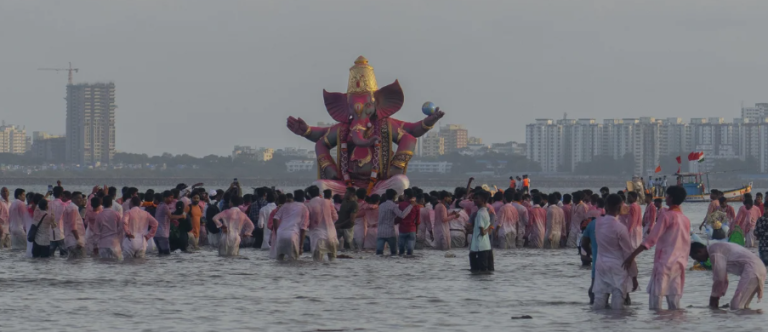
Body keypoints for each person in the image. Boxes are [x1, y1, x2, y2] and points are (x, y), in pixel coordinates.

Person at [623, 186, 690, 310]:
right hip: (679, 264)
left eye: (667, 196)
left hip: (663, 263)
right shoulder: (685, 219)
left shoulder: (667, 216)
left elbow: (651, 240)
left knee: (655, 302)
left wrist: (632, 256)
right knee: (674, 305)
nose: (666, 198)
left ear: (671, 198)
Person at [592, 194, 639, 310]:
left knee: (599, 300)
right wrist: (634, 276)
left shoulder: (598, 223)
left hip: (601, 265)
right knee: (618, 301)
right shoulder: (620, 228)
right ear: (619, 207)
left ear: (606, 206)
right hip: (618, 267)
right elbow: (628, 253)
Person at [690, 242, 766, 309]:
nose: (698, 260)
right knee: (743, 306)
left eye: (696, 258)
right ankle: (752, 320)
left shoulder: (714, 252)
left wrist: (714, 297)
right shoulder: (716, 247)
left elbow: (720, 278)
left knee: (736, 306)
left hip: (752, 269)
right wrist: (718, 295)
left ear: (699, 251)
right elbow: (722, 276)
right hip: (759, 267)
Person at [273, 191, 309, 261]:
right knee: (293, 261)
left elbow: (275, 219)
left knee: (279, 260)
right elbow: (303, 228)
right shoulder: (305, 209)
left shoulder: (285, 205)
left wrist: (277, 232)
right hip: (292, 235)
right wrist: (301, 246)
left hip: (280, 234)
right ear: (303, 199)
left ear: (294, 197)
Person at [306, 187, 340, 261]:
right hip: (332, 235)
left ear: (309, 194)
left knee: (317, 262)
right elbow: (335, 217)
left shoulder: (309, 205)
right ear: (319, 193)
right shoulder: (328, 202)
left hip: (318, 236)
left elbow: (306, 222)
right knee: (333, 261)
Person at [376, 189, 414, 256]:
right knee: (394, 253)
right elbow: (402, 215)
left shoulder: (381, 205)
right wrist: (410, 206)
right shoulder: (393, 206)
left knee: (379, 253)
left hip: (380, 232)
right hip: (390, 232)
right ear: (394, 197)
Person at [93, 196, 125, 260]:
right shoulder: (117, 214)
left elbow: (96, 233)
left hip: (103, 244)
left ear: (102, 203)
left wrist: (95, 245)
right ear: (111, 204)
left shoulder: (99, 216)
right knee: (116, 263)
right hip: (115, 244)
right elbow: (121, 228)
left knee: (104, 263)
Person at [469, 191, 493, 272]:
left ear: (483, 200)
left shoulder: (480, 213)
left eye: (476, 198)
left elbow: (482, 232)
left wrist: (488, 228)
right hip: (486, 247)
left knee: (477, 272)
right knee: (487, 271)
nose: (474, 200)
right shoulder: (486, 212)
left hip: (478, 248)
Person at [154, 191, 183, 255]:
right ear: (165, 198)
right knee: (167, 254)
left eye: (172, 198)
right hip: (162, 234)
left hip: (156, 234)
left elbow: (163, 217)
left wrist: (172, 221)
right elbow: (171, 216)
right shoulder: (165, 206)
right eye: (170, 197)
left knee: (161, 254)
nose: (172, 199)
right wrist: (182, 216)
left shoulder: (159, 205)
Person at [395, 189, 421, 256]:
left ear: (406, 195)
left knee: (401, 251)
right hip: (412, 229)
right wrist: (416, 232)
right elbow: (418, 221)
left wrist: (394, 222)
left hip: (402, 229)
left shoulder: (401, 205)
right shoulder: (416, 206)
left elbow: (399, 217)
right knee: (410, 251)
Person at [62, 192, 86, 259]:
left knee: (73, 261)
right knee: (80, 261)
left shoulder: (69, 207)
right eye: (78, 198)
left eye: (81, 198)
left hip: (70, 240)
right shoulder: (73, 208)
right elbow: (73, 226)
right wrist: (78, 241)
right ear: (72, 199)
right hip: (74, 241)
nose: (80, 200)